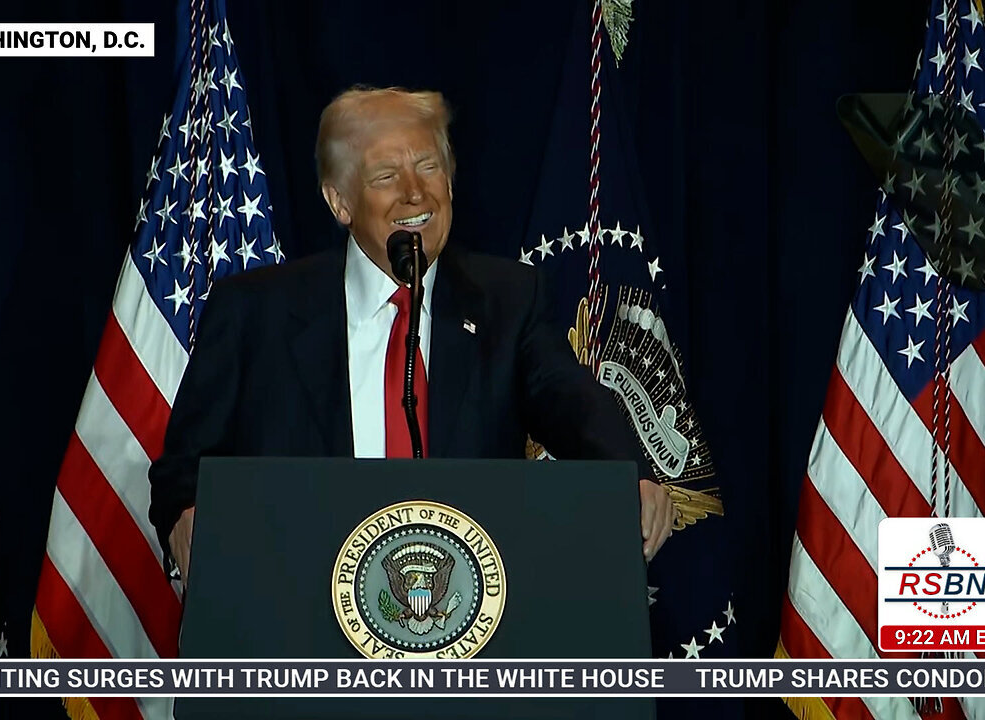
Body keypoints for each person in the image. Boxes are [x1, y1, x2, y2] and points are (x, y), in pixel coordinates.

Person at [149, 86, 674, 580]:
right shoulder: (255, 312)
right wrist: (187, 517)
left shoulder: (506, 300)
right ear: (340, 202)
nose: (415, 193)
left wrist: (630, 475)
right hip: (299, 614)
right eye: (385, 177)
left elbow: (574, 405)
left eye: (429, 168)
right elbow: (183, 471)